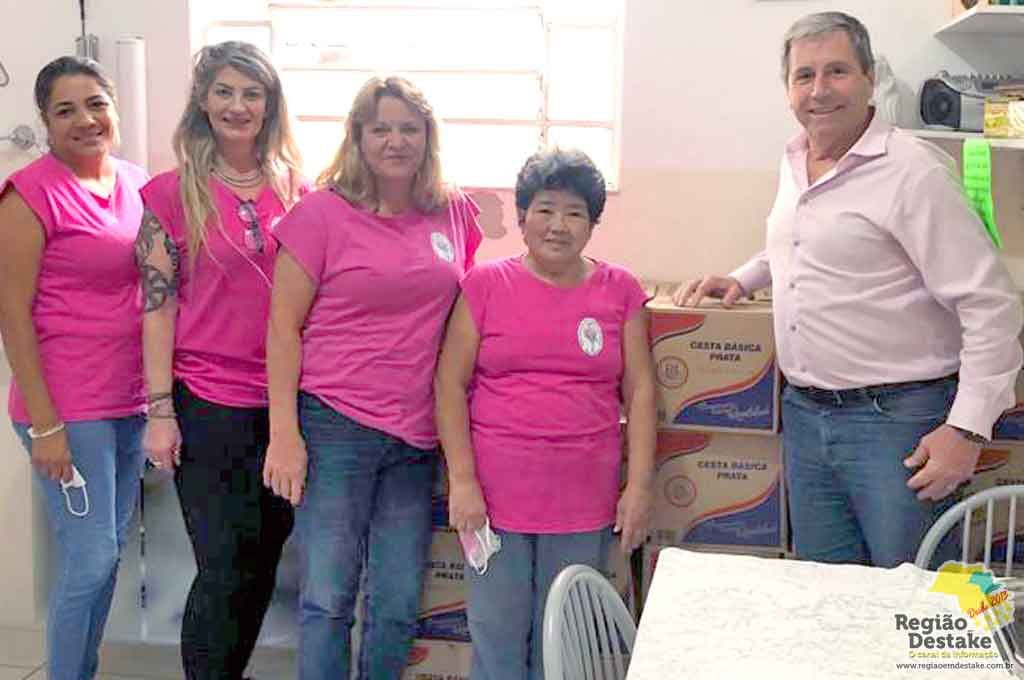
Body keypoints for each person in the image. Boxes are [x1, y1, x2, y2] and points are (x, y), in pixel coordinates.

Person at [674, 11, 1023, 568]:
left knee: (909, 596)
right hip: (805, 418)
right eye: (804, 75)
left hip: (895, 425)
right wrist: (744, 277)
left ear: (868, 78)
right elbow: (807, 242)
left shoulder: (913, 172)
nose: (819, 89)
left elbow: (991, 305)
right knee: (828, 595)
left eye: (836, 71)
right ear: (788, 89)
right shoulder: (796, 160)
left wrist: (966, 430)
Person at [262, 75, 482, 680]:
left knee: (396, 604)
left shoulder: (453, 211)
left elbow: (466, 315)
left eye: (410, 129)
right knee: (328, 599)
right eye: (381, 128)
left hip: (416, 435)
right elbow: (282, 329)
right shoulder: (320, 214)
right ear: (357, 136)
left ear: (428, 138)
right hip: (335, 427)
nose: (395, 141)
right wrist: (284, 433)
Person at [435, 148, 656, 680]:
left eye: (575, 212)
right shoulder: (485, 285)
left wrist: (639, 488)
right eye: (545, 209)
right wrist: (462, 481)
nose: (558, 225)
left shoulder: (620, 289)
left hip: (583, 498)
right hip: (495, 501)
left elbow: (642, 390)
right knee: (498, 641)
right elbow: (448, 384)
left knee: (564, 647)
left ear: (592, 223)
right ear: (523, 216)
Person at [133, 41, 304, 679]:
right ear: (203, 102)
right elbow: (157, 308)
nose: (238, 105)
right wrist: (160, 412)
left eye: (252, 93)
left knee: (264, 558)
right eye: (224, 92)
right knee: (224, 565)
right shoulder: (169, 195)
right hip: (207, 403)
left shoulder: (298, 190)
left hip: (284, 405)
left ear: (270, 104)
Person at [0, 56, 148, 680]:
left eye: (95, 104)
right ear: (45, 121)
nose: (85, 120)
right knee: (90, 558)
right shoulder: (28, 193)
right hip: (66, 407)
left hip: (130, 401)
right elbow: (11, 312)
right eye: (65, 110)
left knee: (108, 557)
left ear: (114, 108)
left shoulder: (137, 182)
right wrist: (46, 425)